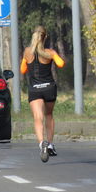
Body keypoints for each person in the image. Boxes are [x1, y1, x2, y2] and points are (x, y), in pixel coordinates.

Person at [20, 26, 65, 163]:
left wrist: (27, 62)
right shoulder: (50, 52)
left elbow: (22, 70)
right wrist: (54, 55)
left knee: (38, 117)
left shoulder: (27, 52)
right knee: (49, 115)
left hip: (35, 89)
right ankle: (50, 144)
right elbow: (61, 64)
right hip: (49, 88)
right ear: (45, 37)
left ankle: (42, 144)